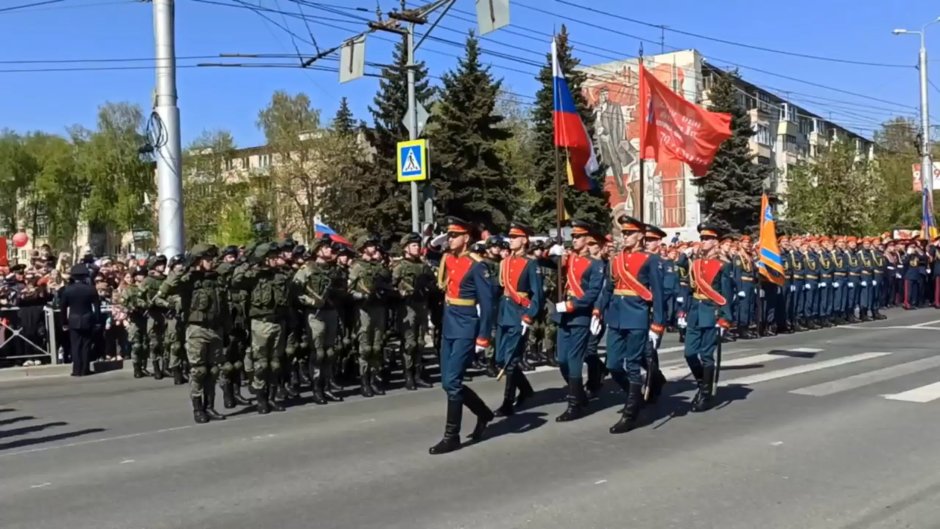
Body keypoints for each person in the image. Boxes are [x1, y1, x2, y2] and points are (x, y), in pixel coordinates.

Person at [428, 217, 496, 455]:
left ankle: (452, 435)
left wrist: (484, 336)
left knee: (452, 383)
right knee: (448, 383)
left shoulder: (477, 265)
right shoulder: (448, 259)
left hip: (467, 326)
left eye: (454, 235)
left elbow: (487, 305)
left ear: (466, 238)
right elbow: (430, 250)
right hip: (449, 325)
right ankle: (484, 413)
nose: (450, 239)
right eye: (448, 235)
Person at [595, 216, 665, 434]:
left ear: (640, 236)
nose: (624, 236)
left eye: (629, 233)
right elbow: (608, 288)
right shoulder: (615, 260)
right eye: (623, 233)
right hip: (616, 316)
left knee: (632, 365)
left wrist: (657, 325)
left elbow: (659, 295)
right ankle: (633, 395)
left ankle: (631, 413)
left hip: (636, 316)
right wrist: (598, 311)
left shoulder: (650, 260)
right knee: (614, 364)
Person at [552, 220, 605, 423]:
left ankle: (575, 404)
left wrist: (572, 305)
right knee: (562, 360)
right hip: (564, 316)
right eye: (572, 237)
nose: (574, 240)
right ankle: (580, 395)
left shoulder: (596, 264)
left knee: (574, 360)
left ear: (587, 239)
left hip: (579, 315)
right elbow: (549, 267)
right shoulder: (569, 258)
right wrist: (550, 254)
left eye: (578, 237)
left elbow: (592, 292)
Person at [680, 223, 733, 412]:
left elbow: (726, 293)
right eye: (702, 238)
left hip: (711, 312)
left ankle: (704, 394)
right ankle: (704, 384)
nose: (704, 241)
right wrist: (683, 309)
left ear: (715, 242)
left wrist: (725, 318)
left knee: (706, 355)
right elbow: (688, 286)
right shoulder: (695, 263)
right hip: (695, 310)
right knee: (689, 353)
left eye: (708, 238)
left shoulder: (723, 265)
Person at [493, 221, 541, 417]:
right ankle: (527, 390)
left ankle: (507, 402)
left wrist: (529, 316)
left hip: (519, 314)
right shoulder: (505, 262)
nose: (510, 241)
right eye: (510, 237)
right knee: (499, 358)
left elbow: (538, 294)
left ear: (524, 240)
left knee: (510, 361)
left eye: (514, 238)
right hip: (504, 312)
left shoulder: (531, 264)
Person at [59, 264, 101, 377]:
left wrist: (64, 322)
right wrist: (97, 321)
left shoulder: (68, 290)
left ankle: (76, 370)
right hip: (87, 318)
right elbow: (97, 307)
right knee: (86, 345)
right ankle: (85, 369)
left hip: (73, 319)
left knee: (75, 345)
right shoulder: (91, 289)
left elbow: (63, 308)